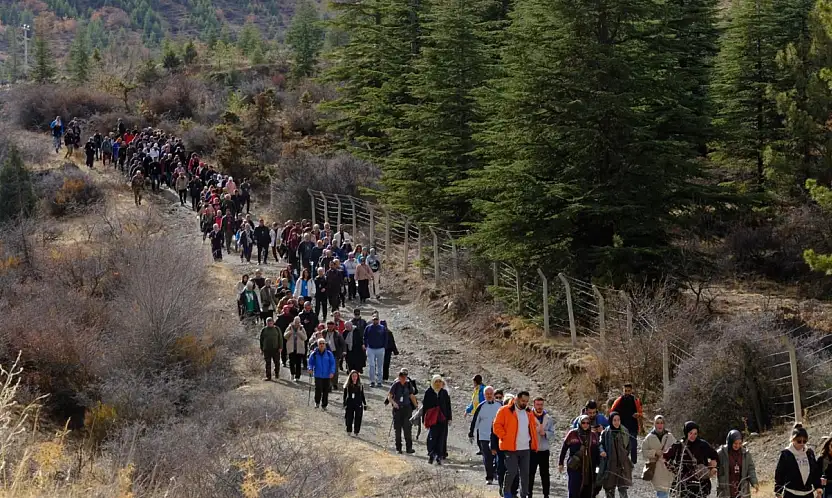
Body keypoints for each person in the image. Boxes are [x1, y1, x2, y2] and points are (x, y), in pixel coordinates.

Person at [493, 390, 538, 497]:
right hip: (511, 447)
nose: (525, 403)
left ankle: (524, 495)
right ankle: (506, 492)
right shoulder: (504, 410)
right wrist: (505, 437)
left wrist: (533, 443)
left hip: (525, 448)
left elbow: (531, 429)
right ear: (516, 399)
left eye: (527, 401)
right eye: (523, 401)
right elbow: (496, 426)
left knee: (525, 474)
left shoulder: (529, 413)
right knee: (512, 471)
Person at [663, 421, 719, 498]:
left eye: (695, 433)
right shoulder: (679, 445)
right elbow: (664, 457)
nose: (693, 436)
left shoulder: (703, 445)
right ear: (686, 433)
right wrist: (673, 469)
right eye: (690, 433)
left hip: (701, 484)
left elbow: (715, 456)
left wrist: (712, 468)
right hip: (683, 484)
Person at [559, 414, 601, 498]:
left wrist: (598, 469)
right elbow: (564, 448)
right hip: (575, 466)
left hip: (589, 468)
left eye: (587, 423)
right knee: (574, 490)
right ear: (579, 423)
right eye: (583, 423)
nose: (585, 425)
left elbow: (597, 453)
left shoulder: (593, 435)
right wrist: (561, 463)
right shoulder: (572, 433)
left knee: (588, 491)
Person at [774, 423, 819, 498]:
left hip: (808, 493)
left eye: (804, 441)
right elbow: (779, 474)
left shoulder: (809, 453)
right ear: (792, 440)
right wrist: (778, 491)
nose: (802, 444)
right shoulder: (786, 454)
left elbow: (815, 472)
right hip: (791, 493)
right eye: (799, 441)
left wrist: (818, 487)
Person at [469, 386, 502, 485]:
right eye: (487, 394)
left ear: (493, 394)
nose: (489, 395)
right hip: (484, 436)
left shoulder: (500, 406)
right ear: (484, 395)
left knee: (498, 457)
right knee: (487, 457)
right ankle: (489, 477)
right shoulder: (481, 406)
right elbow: (475, 420)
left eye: (490, 394)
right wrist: (471, 433)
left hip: (497, 436)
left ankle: (496, 472)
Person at [598, 412, 633, 498]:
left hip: (622, 465)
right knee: (609, 489)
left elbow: (628, 446)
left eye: (618, 420)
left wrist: (624, 454)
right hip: (610, 465)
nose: (617, 422)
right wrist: (602, 451)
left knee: (623, 489)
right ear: (611, 421)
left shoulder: (624, 431)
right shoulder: (605, 432)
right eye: (614, 420)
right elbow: (600, 444)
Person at [716, 429, 758, 498]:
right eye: (735, 443)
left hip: (742, 489)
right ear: (730, 442)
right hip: (726, 490)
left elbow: (750, 469)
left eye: (740, 443)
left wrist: (754, 482)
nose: (737, 446)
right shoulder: (721, 453)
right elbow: (714, 466)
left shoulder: (745, 454)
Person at [641, 415, 675, 498]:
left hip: (668, 469)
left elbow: (676, 449)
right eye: (657, 423)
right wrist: (655, 453)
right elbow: (644, 452)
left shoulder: (669, 436)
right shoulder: (649, 438)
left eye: (661, 423)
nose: (660, 425)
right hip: (656, 469)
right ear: (654, 424)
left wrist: (669, 453)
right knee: (661, 492)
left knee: (667, 491)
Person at [422, 375, 452, 465]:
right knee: (432, 438)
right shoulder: (429, 392)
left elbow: (448, 406)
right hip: (432, 419)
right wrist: (424, 420)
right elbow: (425, 407)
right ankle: (431, 455)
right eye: (436, 382)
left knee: (441, 438)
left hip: (442, 419)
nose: (438, 384)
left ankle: (439, 456)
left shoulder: (444, 393)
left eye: (439, 381)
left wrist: (449, 418)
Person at [610, 383, 643, 465]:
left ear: (631, 391)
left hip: (633, 427)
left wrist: (638, 415)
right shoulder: (619, 400)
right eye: (625, 391)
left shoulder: (636, 400)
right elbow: (612, 412)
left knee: (634, 446)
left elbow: (640, 413)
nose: (627, 392)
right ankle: (623, 462)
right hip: (622, 427)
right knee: (623, 446)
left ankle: (633, 463)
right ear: (623, 390)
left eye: (629, 391)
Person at [388, 368, 418, 454]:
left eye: (405, 376)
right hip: (397, 409)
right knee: (397, 429)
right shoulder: (395, 385)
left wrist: (416, 405)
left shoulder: (408, 385)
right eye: (402, 376)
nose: (403, 378)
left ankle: (409, 448)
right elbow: (389, 397)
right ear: (399, 376)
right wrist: (394, 403)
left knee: (407, 429)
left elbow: (411, 396)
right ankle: (398, 448)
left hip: (407, 408)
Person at [530, 397, 554, 498]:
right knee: (530, 473)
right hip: (532, 450)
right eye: (537, 404)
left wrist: (545, 433)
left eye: (541, 405)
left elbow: (552, 434)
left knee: (545, 474)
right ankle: (528, 493)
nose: (539, 407)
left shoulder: (548, 418)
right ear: (534, 405)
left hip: (544, 450)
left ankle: (546, 494)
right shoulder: (529, 416)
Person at [308, 338, 336, 410]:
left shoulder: (329, 354)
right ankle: (317, 402)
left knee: (326, 390)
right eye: (320, 343)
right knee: (318, 389)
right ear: (318, 344)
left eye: (323, 343)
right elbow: (310, 362)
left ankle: (324, 405)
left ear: (325, 345)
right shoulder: (314, 354)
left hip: (327, 375)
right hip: (318, 375)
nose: (322, 345)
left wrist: (332, 372)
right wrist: (310, 368)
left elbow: (333, 363)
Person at [363, 314, 387, 387]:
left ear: (378, 320)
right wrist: (365, 345)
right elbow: (365, 336)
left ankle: (379, 381)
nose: (375, 321)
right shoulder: (368, 327)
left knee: (380, 366)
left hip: (380, 349)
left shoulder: (382, 328)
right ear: (372, 320)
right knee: (371, 365)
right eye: (374, 319)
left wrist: (384, 347)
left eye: (376, 319)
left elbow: (386, 337)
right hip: (371, 349)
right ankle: (372, 381)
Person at [323, 321, 346, 391]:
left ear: (334, 326)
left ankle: (334, 383)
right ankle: (328, 384)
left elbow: (343, 343)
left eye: (331, 326)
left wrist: (344, 351)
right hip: (325, 353)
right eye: (328, 326)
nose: (330, 328)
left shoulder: (337, 334)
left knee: (335, 369)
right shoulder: (323, 333)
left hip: (334, 353)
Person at [284, 317, 308, 382]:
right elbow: (285, 336)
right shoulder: (289, 327)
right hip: (291, 348)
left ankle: (297, 376)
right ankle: (292, 374)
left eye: (298, 322)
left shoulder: (301, 328)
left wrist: (299, 332)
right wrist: (290, 332)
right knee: (291, 362)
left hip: (299, 348)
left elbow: (305, 338)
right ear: (293, 321)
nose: (296, 324)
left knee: (298, 363)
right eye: (295, 322)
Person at [343, 370, 367, 436]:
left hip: (358, 403)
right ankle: (349, 430)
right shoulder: (347, 385)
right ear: (350, 377)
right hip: (350, 403)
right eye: (353, 376)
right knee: (349, 418)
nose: (354, 377)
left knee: (358, 418)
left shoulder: (360, 385)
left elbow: (362, 395)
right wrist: (344, 403)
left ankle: (356, 431)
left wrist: (364, 404)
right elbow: (344, 395)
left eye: (356, 376)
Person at [260, 317, 283, 381]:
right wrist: (261, 349)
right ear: (266, 323)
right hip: (267, 349)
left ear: (273, 322)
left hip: (275, 349)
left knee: (277, 362)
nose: (270, 324)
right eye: (268, 322)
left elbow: (280, 339)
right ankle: (268, 376)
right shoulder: (264, 330)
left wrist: (280, 347)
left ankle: (277, 374)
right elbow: (261, 340)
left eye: (271, 322)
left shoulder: (277, 329)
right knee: (268, 363)